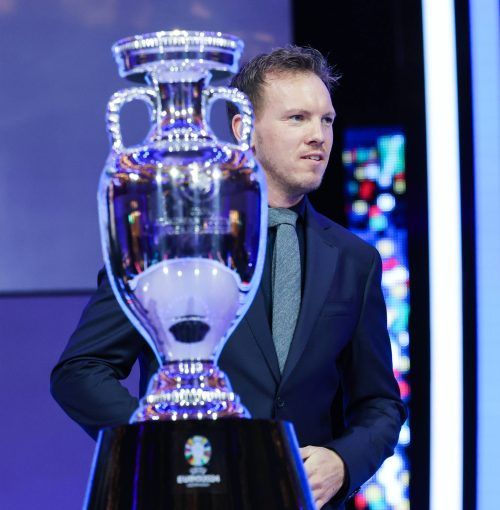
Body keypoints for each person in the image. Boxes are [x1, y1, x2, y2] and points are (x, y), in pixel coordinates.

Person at [51, 46, 405, 510]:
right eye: (297, 118)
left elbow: (380, 404)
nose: (318, 136)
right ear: (243, 130)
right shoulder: (172, 239)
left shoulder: (355, 260)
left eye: (327, 120)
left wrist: (343, 462)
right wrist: (163, 444)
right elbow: (80, 371)